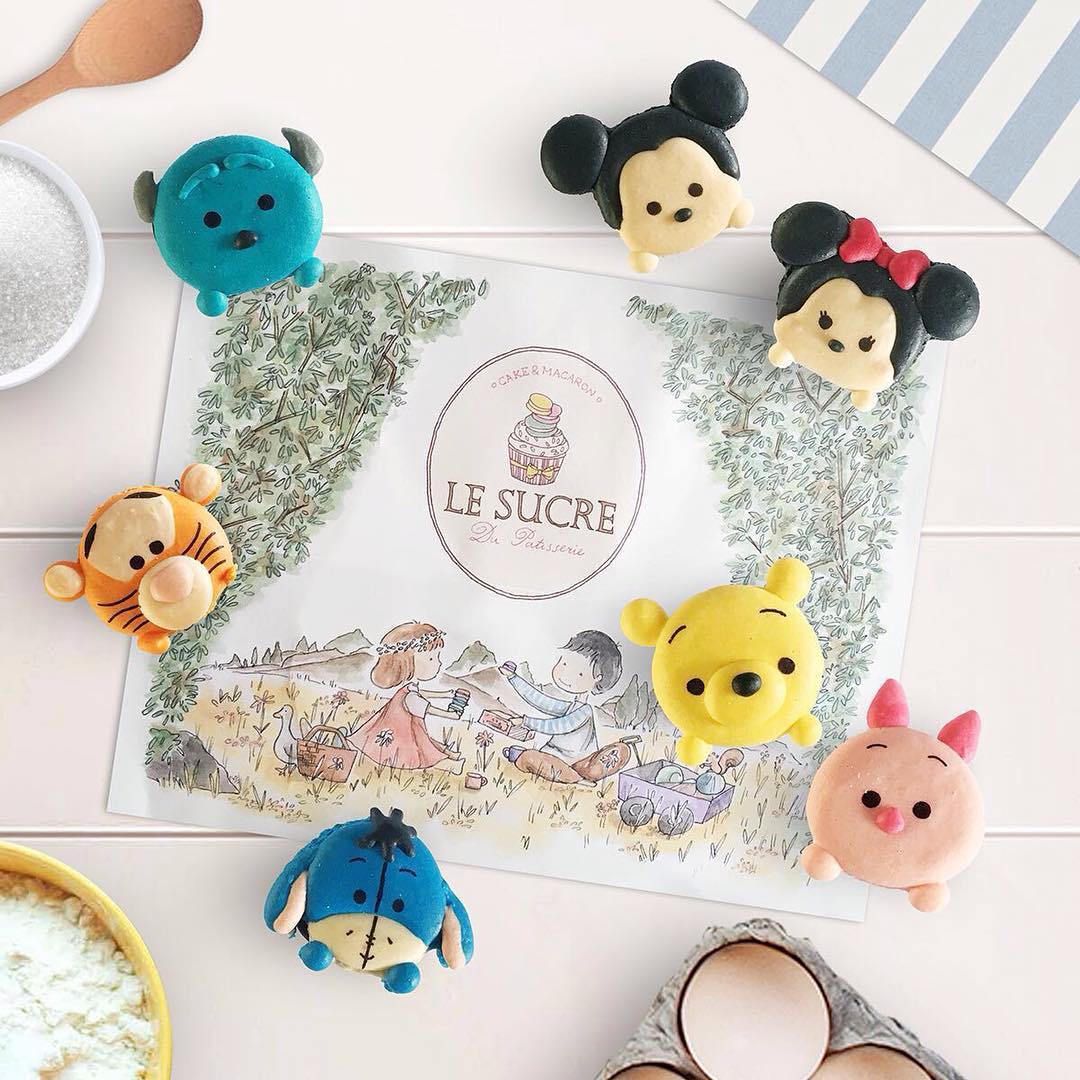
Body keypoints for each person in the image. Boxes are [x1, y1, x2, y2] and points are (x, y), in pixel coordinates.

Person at [500, 630, 636, 784]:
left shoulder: (585, 711)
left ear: (597, 679)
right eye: (564, 663)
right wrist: (513, 677)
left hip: (579, 762)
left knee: (531, 759)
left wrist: (526, 721)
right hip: (554, 756)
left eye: (579, 673)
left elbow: (560, 726)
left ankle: (575, 777)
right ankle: (561, 772)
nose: (566, 674)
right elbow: (541, 701)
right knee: (535, 759)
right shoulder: (572, 707)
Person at [350, 622, 465, 774]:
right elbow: (429, 709)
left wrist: (445, 695)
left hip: (406, 731)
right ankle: (450, 765)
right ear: (408, 663)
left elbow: (421, 693)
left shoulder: (410, 689)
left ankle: (450, 755)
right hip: (402, 738)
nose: (439, 663)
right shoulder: (411, 698)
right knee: (422, 752)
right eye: (431, 659)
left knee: (427, 743)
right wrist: (451, 715)